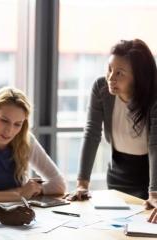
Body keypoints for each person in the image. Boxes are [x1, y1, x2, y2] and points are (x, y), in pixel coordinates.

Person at [68, 39, 157, 212]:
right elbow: (92, 133)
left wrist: (154, 193)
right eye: (110, 69)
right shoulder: (100, 88)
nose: (111, 78)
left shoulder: (153, 97)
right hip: (117, 172)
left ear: (138, 76)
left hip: (150, 177)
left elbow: (155, 146)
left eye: (120, 73)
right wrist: (82, 184)